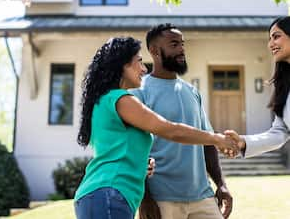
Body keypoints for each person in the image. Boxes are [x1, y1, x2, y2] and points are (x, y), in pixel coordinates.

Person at [74, 37, 236, 219]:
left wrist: (142, 162)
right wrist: (217, 139)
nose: (144, 69)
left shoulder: (103, 102)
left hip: (98, 194)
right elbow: (170, 130)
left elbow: (116, 150)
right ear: (122, 65)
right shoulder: (121, 99)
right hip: (109, 192)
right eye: (140, 62)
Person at [131, 24, 234, 219]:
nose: (181, 49)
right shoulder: (139, 91)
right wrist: (145, 199)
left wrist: (221, 184)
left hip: (202, 196)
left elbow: (208, 142)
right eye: (174, 44)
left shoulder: (192, 91)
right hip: (161, 198)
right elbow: (135, 147)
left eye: (182, 44)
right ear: (154, 51)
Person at [225, 16, 290, 157]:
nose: (270, 44)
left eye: (276, 37)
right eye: (270, 39)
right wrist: (243, 142)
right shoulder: (284, 86)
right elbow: (280, 132)